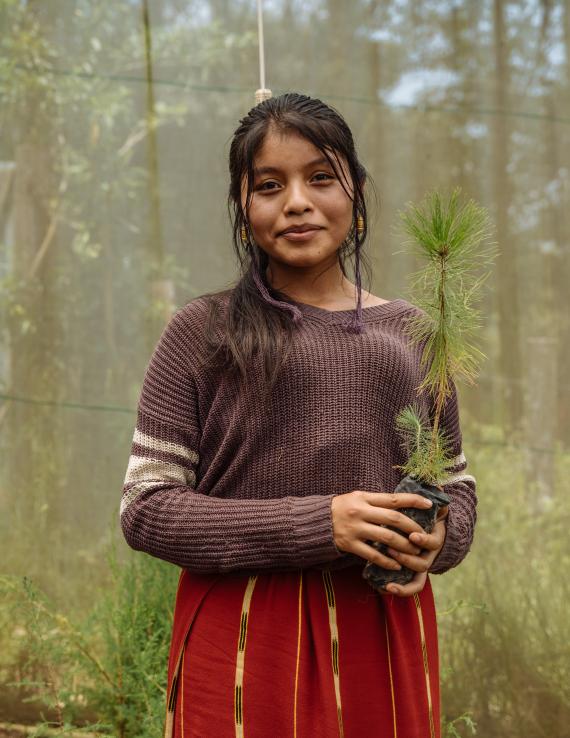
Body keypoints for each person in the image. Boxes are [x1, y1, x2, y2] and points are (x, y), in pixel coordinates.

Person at [120, 92, 477, 738]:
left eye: (320, 177)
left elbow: (457, 488)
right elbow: (146, 507)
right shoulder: (203, 333)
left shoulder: (417, 335)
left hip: (383, 628)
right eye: (268, 185)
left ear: (358, 193)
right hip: (246, 630)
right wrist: (323, 522)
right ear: (242, 205)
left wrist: (438, 540)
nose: (296, 202)